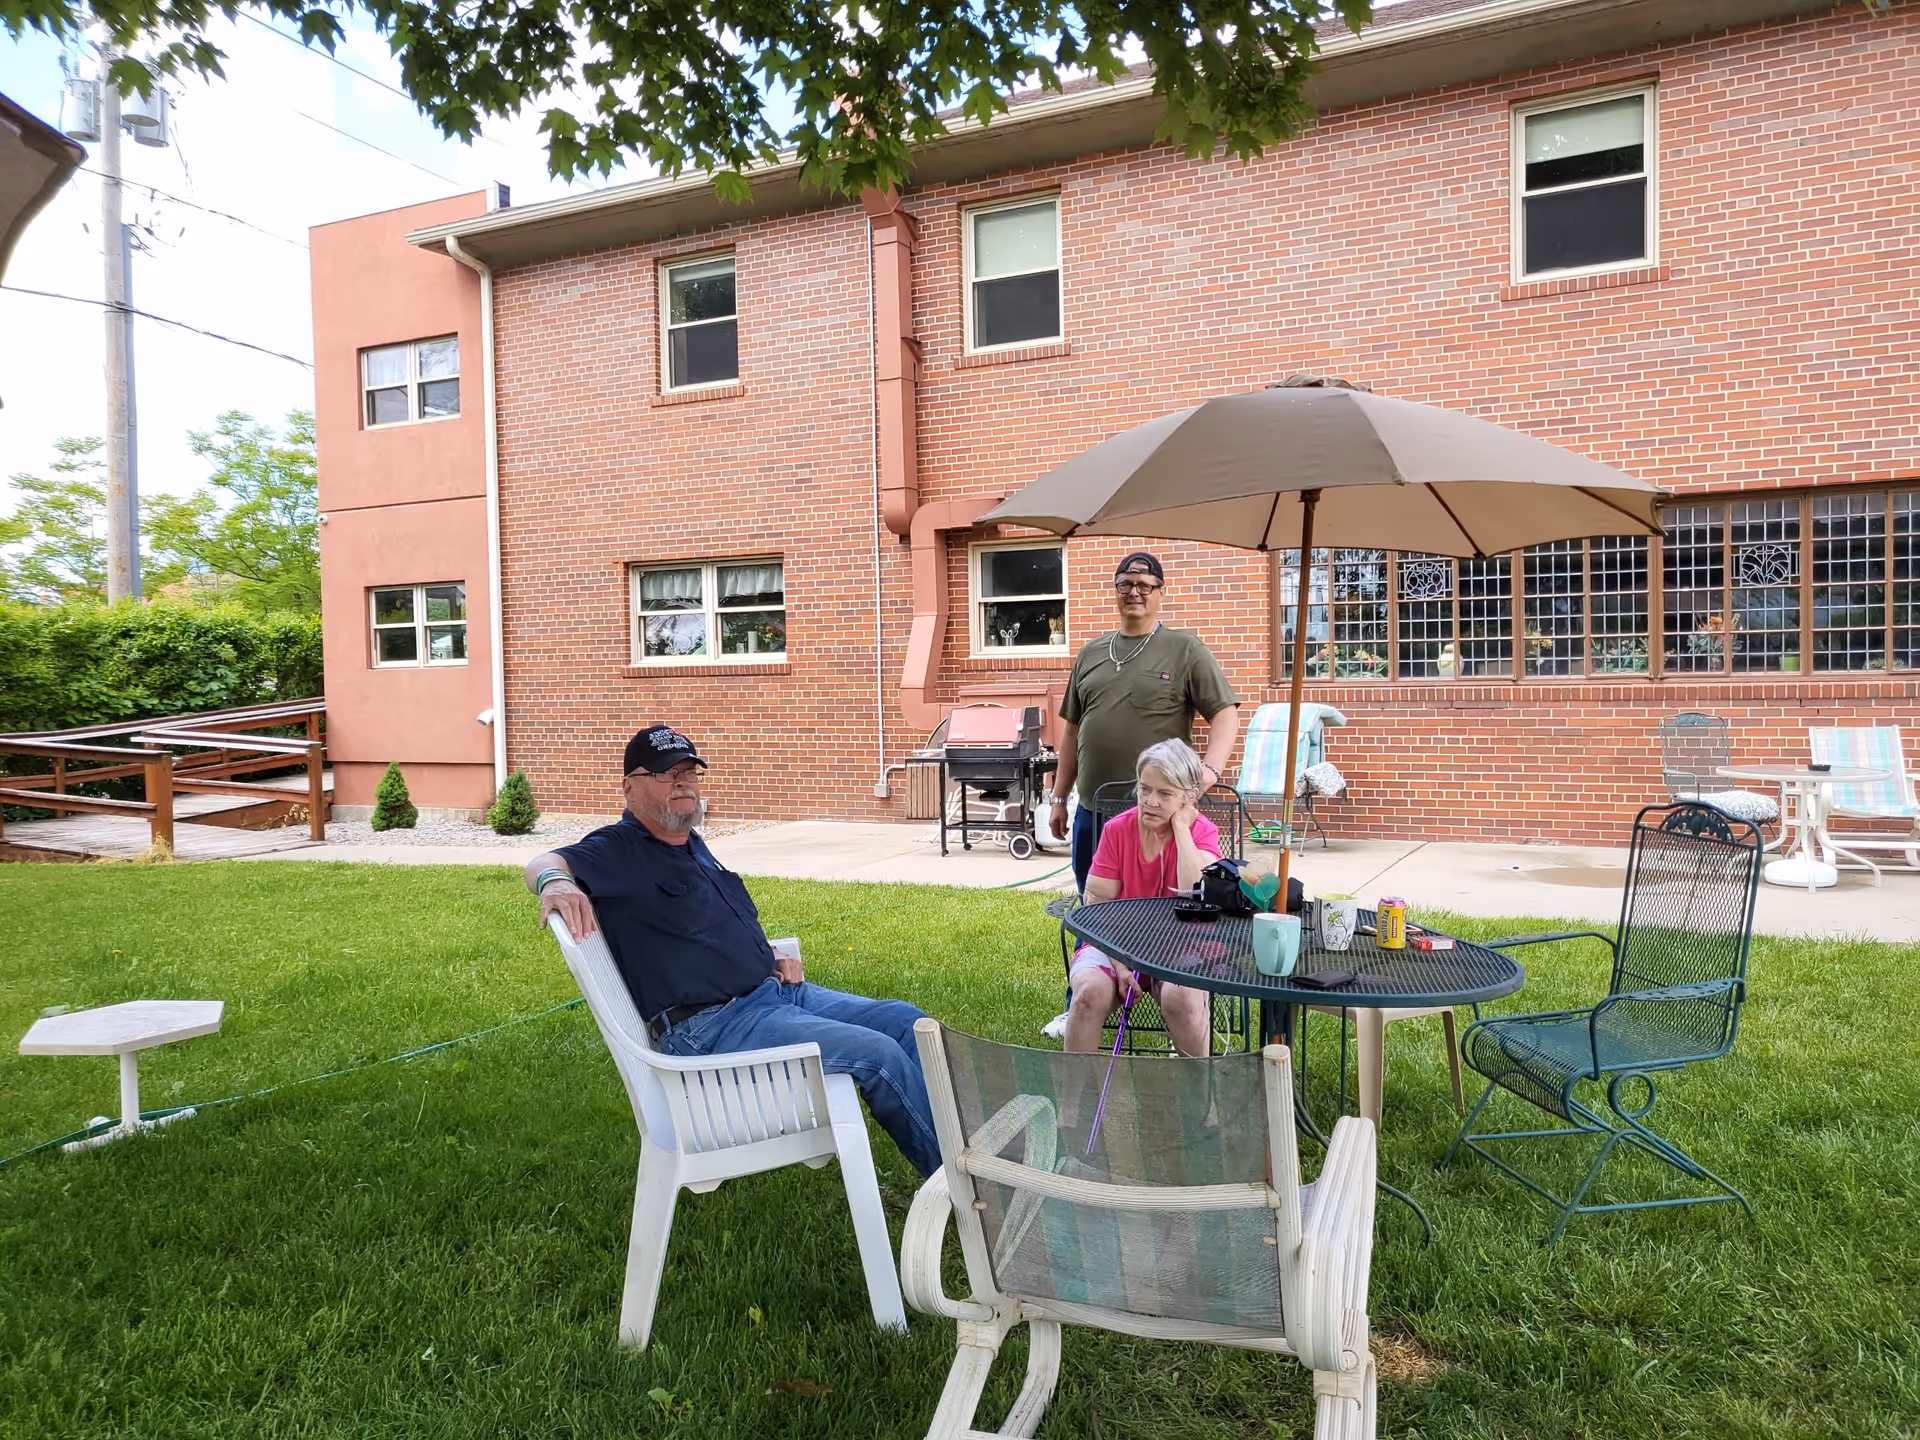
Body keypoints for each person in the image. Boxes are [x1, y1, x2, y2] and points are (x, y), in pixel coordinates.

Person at [526, 723, 940, 1176]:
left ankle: (968, 1146)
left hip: (774, 995)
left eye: (690, 771)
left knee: (907, 1021)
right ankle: (962, 1189)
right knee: (876, 1054)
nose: (683, 781)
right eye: (667, 774)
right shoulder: (618, 849)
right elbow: (543, 862)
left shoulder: (692, 845)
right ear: (630, 787)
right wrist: (556, 882)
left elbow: (705, 923)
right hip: (713, 1027)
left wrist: (768, 957)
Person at [1049, 551, 1241, 895]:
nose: (1134, 592)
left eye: (1144, 585)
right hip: (1091, 810)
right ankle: (1090, 952)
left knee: (1157, 909)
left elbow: (1225, 714)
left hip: (1156, 813)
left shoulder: (1185, 649)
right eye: (1125, 585)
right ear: (1115, 591)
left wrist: (1209, 771)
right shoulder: (1090, 653)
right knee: (1092, 901)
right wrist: (1060, 798)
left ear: (1160, 592)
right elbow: (1072, 731)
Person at [1066, 739, 1221, 1057]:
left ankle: (1198, 1103)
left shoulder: (1203, 833)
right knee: (1087, 995)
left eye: (1165, 794)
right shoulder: (1117, 830)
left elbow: (1196, 893)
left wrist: (1180, 829)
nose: (1150, 801)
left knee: (1183, 1001)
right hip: (1114, 942)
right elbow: (1096, 901)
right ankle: (1075, 1105)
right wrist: (1120, 964)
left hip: (1186, 945)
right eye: (1144, 789)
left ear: (1189, 797)